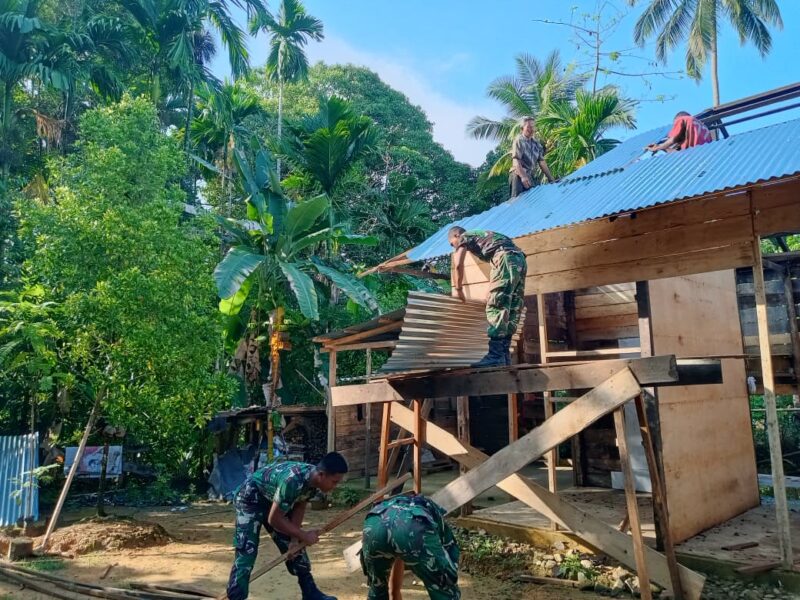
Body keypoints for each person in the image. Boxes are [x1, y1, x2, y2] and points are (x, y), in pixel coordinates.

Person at [226, 452, 348, 600]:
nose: (335, 486)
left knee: (296, 548)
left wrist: (295, 540)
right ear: (321, 475)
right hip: (250, 499)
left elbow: (299, 506)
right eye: (334, 482)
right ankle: (236, 596)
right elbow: (274, 519)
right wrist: (304, 535)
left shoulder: (313, 481)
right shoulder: (292, 481)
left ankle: (310, 593)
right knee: (247, 549)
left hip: (274, 501)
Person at [449, 227, 526, 367]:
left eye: (451, 243)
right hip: (520, 259)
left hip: (505, 258)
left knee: (496, 305)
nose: (453, 246)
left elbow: (458, 264)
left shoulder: (464, 236)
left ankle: (495, 356)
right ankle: (504, 356)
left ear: (456, 235)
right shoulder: (483, 236)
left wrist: (459, 289)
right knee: (511, 305)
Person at [360, 493, 460, 600]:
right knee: (445, 590)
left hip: (375, 522)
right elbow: (449, 555)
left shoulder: (390, 507)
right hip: (413, 525)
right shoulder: (432, 513)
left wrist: (394, 593)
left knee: (378, 588)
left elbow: (397, 550)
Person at [509, 116, 555, 197]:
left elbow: (542, 163)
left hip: (529, 175)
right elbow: (516, 161)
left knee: (533, 198)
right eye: (529, 127)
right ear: (522, 128)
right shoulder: (519, 140)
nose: (532, 129)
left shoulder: (536, 144)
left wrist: (551, 179)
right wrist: (523, 177)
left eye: (533, 127)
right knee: (518, 201)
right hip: (518, 175)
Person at [646, 111, 713, 153]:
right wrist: (663, 148)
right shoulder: (705, 129)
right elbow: (678, 154)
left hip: (693, 158)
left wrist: (657, 147)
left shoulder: (682, 119)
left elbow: (674, 139)